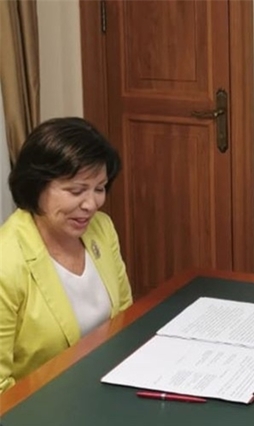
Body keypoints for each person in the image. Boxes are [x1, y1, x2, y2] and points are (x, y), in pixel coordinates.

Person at [0, 117, 133, 393]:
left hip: (108, 386)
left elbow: (125, 319)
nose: (91, 204)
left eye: (99, 188)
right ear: (36, 186)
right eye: (76, 190)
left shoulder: (102, 229)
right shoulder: (7, 261)